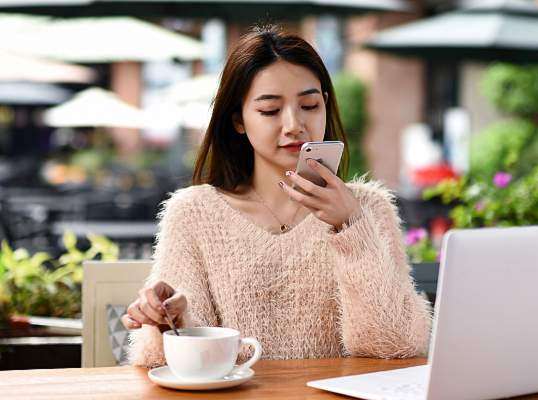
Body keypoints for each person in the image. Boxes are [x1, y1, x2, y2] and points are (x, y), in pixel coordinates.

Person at [124, 25, 432, 368]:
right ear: (238, 119)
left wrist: (352, 228)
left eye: (310, 105)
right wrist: (171, 322)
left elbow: (396, 346)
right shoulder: (193, 213)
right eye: (270, 110)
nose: (293, 125)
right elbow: (158, 360)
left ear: (325, 106)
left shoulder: (368, 208)